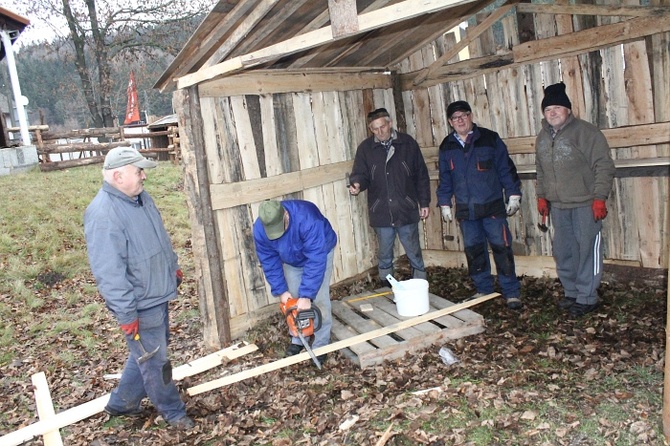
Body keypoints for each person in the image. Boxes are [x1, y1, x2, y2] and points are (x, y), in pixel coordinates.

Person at [84, 146, 194, 429]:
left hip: (157, 292)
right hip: (140, 303)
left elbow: (159, 237)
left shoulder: (140, 199)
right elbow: (110, 273)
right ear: (118, 176)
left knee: (147, 353)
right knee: (156, 362)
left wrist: (172, 265)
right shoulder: (103, 214)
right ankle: (173, 412)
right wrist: (126, 314)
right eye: (138, 171)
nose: (144, 176)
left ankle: (123, 402)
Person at [535, 82, 615, 318]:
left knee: (587, 250)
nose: (552, 113)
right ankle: (571, 292)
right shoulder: (542, 137)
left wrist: (599, 198)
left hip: (584, 204)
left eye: (558, 108)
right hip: (558, 206)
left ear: (568, 110)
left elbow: (604, 166)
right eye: (548, 109)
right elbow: (540, 168)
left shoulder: (586, 132)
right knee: (564, 251)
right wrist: (542, 197)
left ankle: (587, 297)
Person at [436, 101, 523, 310]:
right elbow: (445, 178)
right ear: (450, 122)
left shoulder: (489, 139)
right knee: (474, 251)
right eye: (455, 118)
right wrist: (444, 202)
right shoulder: (447, 146)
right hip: (467, 210)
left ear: (471, 116)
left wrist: (513, 194)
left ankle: (511, 292)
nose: (460, 120)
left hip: (492, 207)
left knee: (501, 248)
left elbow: (505, 168)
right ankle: (483, 289)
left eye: (463, 115)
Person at [348, 108, 431, 283]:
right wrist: (357, 184)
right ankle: (386, 288)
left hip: (406, 208)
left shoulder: (407, 144)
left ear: (390, 123)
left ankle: (421, 284)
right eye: (375, 129)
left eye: (382, 127)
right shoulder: (365, 149)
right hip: (382, 210)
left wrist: (424, 202)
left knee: (413, 251)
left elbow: (421, 175)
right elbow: (360, 174)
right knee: (385, 253)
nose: (380, 132)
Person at [253, 199, 337, 363]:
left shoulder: (307, 218)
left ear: (285, 215)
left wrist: (307, 295)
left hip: (321, 252)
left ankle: (321, 344)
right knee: (293, 300)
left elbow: (315, 259)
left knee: (318, 299)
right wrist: (281, 290)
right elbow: (269, 260)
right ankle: (298, 338)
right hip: (292, 260)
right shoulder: (260, 229)